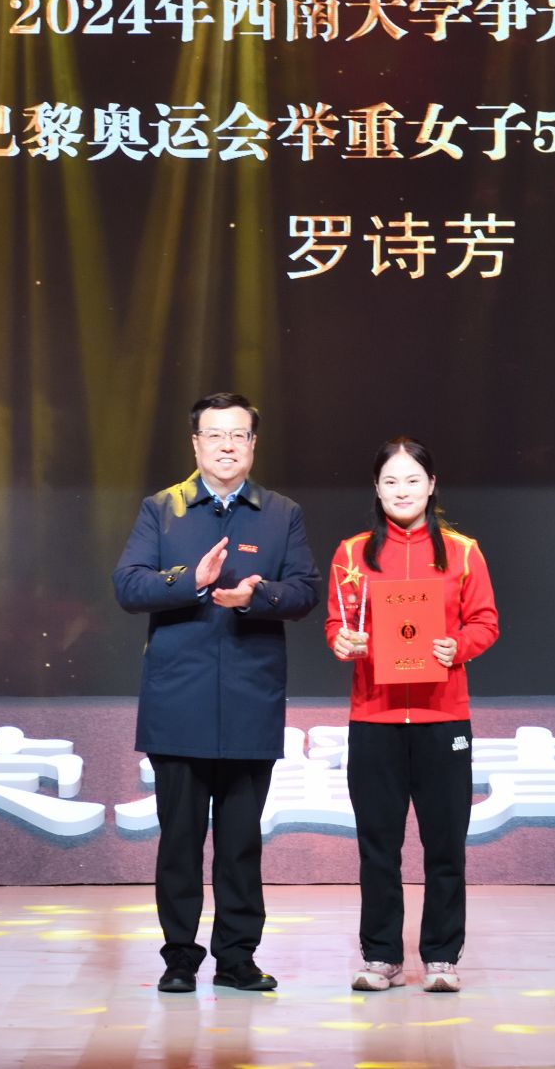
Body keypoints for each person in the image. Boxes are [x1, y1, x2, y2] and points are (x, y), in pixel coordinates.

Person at [112, 392, 319, 994]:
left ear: (253, 444)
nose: (227, 446)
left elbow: (305, 590)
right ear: (195, 443)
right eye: (215, 435)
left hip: (251, 702)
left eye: (238, 435)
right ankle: (180, 957)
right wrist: (190, 582)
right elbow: (128, 585)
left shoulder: (281, 513)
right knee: (179, 841)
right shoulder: (162, 509)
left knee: (241, 843)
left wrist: (259, 596)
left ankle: (237, 958)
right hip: (179, 703)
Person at [324, 437, 499, 994]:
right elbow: (337, 623)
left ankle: (441, 957)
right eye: (390, 481)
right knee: (378, 846)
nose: (402, 491)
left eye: (412, 480)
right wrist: (342, 642)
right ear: (377, 489)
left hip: (442, 717)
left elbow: (485, 622)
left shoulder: (463, 552)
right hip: (373, 718)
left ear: (431, 485)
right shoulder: (352, 554)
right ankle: (381, 957)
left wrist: (457, 646)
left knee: (445, 845)